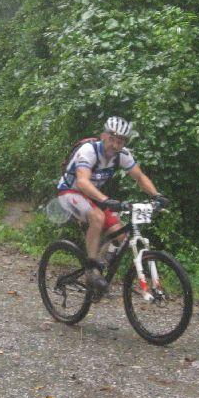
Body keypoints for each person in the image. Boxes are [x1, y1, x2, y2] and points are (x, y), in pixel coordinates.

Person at [55, 116, 167, 293]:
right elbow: (83, 182)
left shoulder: (121, 155)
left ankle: (99, 270)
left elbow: (139, 176)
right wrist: (105, 200)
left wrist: (157, 195)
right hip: (70, 192)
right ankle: (91, 268)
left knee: (120, 234)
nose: (115, 145)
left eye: (120, 141)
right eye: (112, 139)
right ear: (103, 136)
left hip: (92, 196)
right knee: (97, 216)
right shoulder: (88, 151)